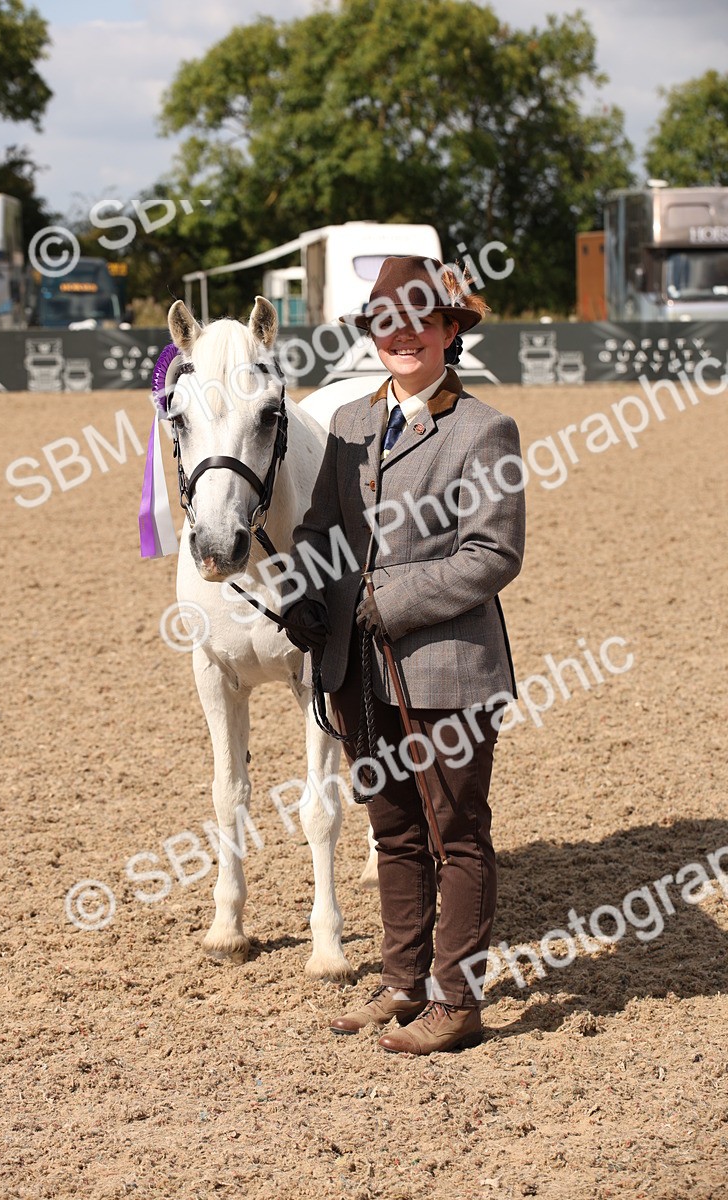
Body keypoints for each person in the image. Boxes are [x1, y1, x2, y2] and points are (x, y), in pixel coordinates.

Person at [285, 256, 525, 1054]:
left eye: (422, 322)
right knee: (392, 831)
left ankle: (457, 1001)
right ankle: (402, 984)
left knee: (456, 832)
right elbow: (320, 526)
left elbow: (492, 553)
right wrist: (307, 594)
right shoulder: (351, 421)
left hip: (449, 666)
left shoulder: (484, 428)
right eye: (388, 324)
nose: (404, 336)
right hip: (357, 670)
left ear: (450, 332)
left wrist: (386, 598)